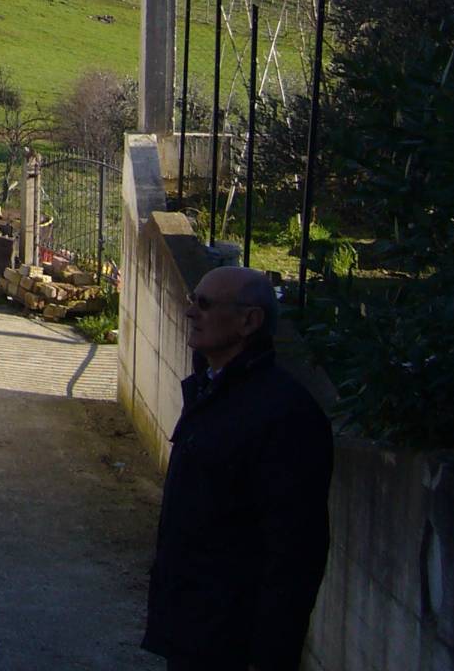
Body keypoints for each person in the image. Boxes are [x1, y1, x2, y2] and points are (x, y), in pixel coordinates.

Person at [143, 265, 333, 671]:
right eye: (193, 299)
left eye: (206, 304)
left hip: (233, 640)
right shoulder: (211, 391)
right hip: (194, 630)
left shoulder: (284, 415)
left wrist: (270, 656)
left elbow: (294, 552)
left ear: (250, 321)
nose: (191, 311)